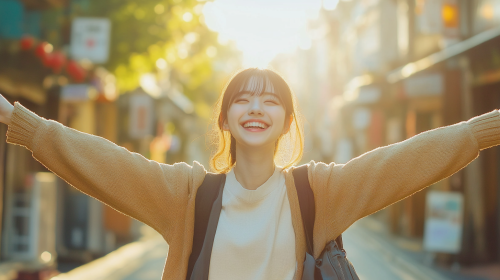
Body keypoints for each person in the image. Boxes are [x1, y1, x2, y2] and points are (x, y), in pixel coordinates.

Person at [1, 67, 500, 280]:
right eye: (243, 98)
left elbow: (401, 163)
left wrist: (481, 130)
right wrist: (23, 125)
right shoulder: (187, 194)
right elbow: (106, 165)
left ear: (287, 120)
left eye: (270, 100)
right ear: (225, 119)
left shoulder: (318, 192)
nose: (256, 108)